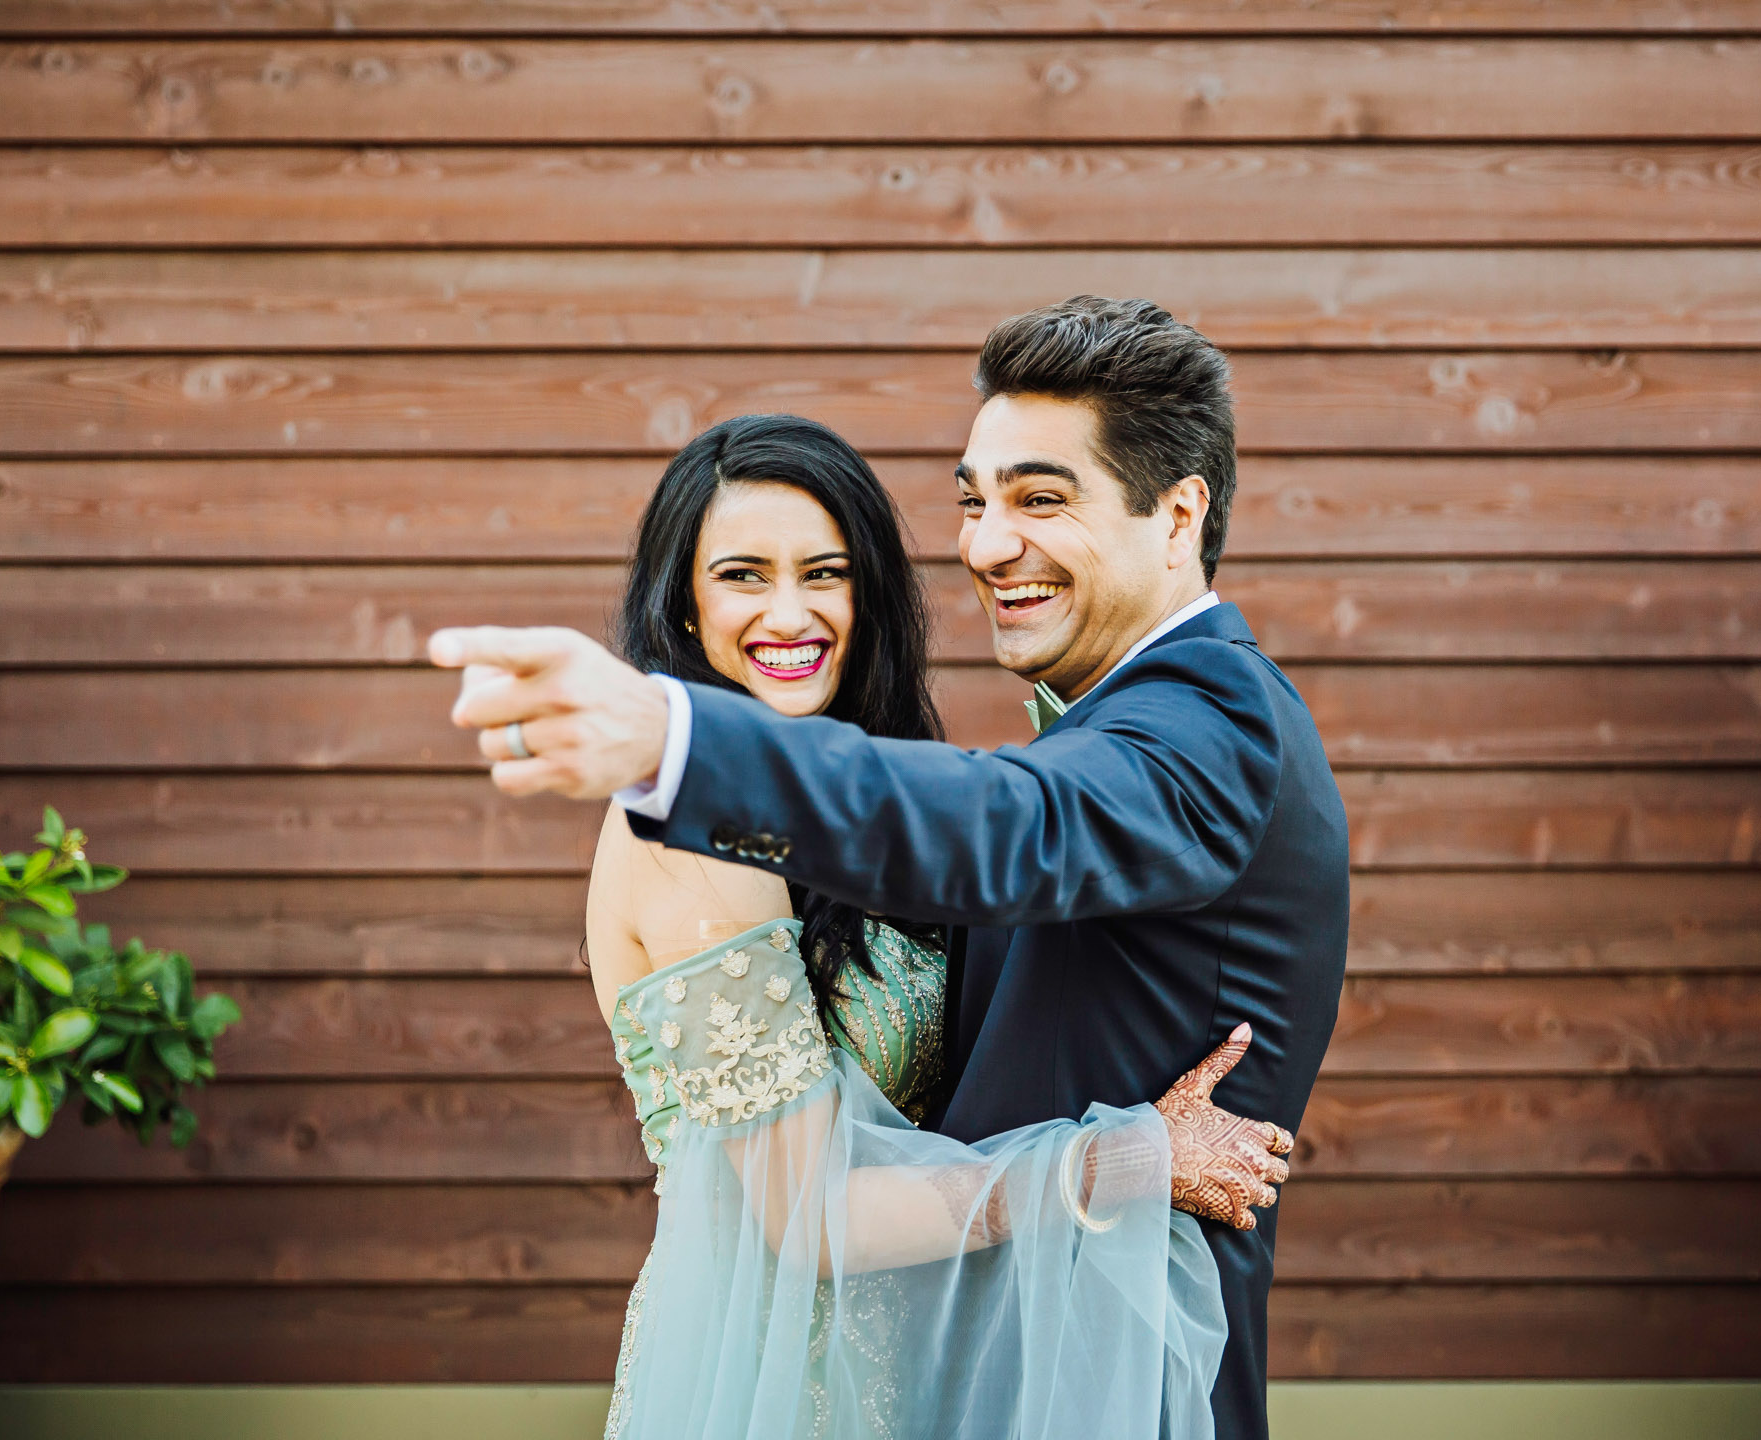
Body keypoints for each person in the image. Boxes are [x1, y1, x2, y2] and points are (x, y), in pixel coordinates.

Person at [433, 298, 1349, 1440]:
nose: (987, 541)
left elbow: (1013, 823)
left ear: (1178, 515)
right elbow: (811, 1205)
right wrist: (1123, 1156)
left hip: (1103, 1381)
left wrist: (681, 743)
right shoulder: (1094, 732)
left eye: (1041, 499)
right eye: (975, 500)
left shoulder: (1210, 721)